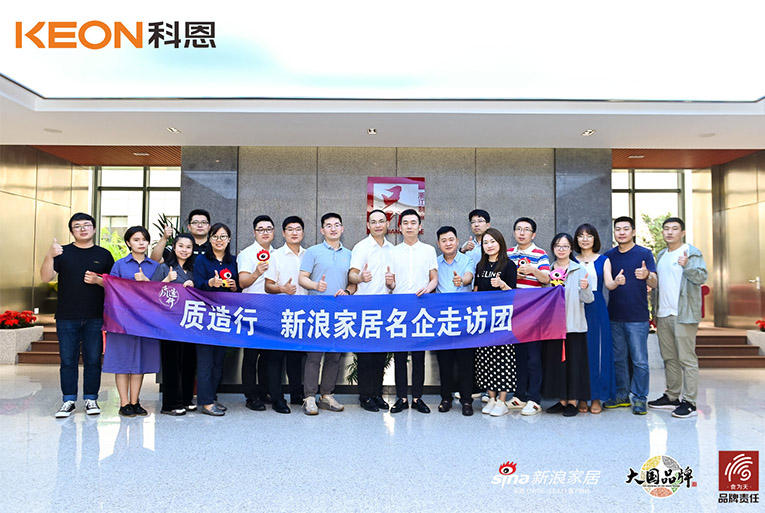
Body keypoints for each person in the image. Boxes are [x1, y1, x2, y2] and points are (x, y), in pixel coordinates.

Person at [41, 213, 114, 418]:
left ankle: (91, 398)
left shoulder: (104, 254)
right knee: (67, 360)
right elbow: (46, 277)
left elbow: (114, 284)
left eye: (87, 225)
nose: (83, 229)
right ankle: (69, 400)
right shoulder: (62, 252)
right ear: (71, 231)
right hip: (67, 316)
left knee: (93, 360)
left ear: (94, 229)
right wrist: (49, 255)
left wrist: (98, 281)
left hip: (95, 316)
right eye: (77, 226)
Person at [648, 217, 708, 418]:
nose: (670, 232)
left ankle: (689, 402)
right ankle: (672, 396)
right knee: (669, 358)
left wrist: (687, 265)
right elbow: (659, 285)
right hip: (663, 313)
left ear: (682, 232)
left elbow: (701, 277)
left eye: (674, 229)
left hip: (683, 314)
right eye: (666, 229)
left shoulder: (691, 252)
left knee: (687, 359)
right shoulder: (662, 254)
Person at [298, 212, 356, 415]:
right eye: (328, 225)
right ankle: (309, 397)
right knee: (314, 356)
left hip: (339, 312)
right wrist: (316, 285)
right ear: (322, 230)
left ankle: (326, 395)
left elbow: (353, 283)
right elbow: (302, 278)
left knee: (334, 356)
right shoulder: (313, 252)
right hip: (317, 310)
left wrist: (348, 291)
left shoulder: (349, 254)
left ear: (342, 228)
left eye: (337, 225)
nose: (333, 228)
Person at [103, 226, 161, 417]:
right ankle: (124, 403)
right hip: (122, 320)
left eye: (144, 239)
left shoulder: (155, 266)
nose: (141, 243)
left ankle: (135, 401)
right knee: (122, 360)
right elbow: (112, 290)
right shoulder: (120, 265)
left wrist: (146, 282)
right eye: (136, 240)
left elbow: (160, 293)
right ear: (128, 243)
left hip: (145, 321)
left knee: (139, 361)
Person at [603, 216, 657, 415]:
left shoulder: (644, 254)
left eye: (626, 229)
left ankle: (640, 398)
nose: (621, 232)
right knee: (618, 359)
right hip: (615, 316)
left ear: (633, 232)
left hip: (638, 317)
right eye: (618, 229)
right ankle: (621, 395)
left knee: (639, 360)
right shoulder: (609, 256)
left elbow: (654, 282)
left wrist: (647, 275)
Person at [388, 209, 438, 414]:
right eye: (405, 223)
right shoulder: (392, 251)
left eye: (413, 223)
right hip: (399, 308)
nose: (409, 226)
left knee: (419, 356)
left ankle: (417, 398)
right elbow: (390, 283)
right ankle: (401, 398)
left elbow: (434, 278)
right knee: (399, 356)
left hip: (421, 307)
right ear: (400, 227)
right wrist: (389, 283)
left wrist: (428, 288)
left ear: (420, 227)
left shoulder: (428, 250)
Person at [542, 233, 594, 417]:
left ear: (571, 249)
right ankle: (562, 400)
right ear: (553, 248)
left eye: (565, 246)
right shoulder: (547, 270)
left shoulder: (579, 270)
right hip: (553, 326)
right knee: (557, 364)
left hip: (574, 325)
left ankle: (572, 401)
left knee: (574, 364)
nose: (561, 249)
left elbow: (588, 299)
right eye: (558, 246)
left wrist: (586, 287)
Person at [349, 209, 394, 412]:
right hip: (365, 308)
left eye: (381, 221)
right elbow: (352, 275)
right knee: (366, 355)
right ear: (368, 225)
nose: (377, 225)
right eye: (373, 222)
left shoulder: (392, 249)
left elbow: (393, 282)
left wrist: (392, 284)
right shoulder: (361, 247)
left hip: (385, 308)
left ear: (387, 224)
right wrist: (360, 277)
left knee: (380, 356)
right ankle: (365, 396)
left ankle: (377, 394)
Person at [193, 222, 240, 416]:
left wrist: (234, 287)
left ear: (229, 240)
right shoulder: (201, 260)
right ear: (209, 239)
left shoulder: (233, 261)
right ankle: (205, 402)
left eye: (223, 237)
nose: (219, 240)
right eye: (215, 237)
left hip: (224, 317)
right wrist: (210, 283)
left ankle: (212, 397)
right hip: (205, 317)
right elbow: (197, 286)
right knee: (206, 361)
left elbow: (239, 288)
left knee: (218, 361)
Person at [506, 217, 550, 416]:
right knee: (518, 356)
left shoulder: (540, 254)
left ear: (533, 234)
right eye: (518, 229)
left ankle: (534, 399)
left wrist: (533, 270)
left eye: (526, 229)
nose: (522, 233)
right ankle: (519, 396)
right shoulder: (508, 253)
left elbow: (547, 279)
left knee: (533, 356)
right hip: (514, 312)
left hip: (534, 312)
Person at [264, 216, 308, 414]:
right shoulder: (275, 256)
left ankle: (297, 395)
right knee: (276, 357)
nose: (294, 232)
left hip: (303, 313)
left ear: (303, 232)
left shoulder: (309, 255)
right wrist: (282, 288)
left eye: (298, 229)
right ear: (283, 233)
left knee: (296, 357)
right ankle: (277, 398)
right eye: (290, 229)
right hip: (279, 312)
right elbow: (268, 286)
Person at [151, 233, 197, 416]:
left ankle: (186, 399)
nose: (184, 250)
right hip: (169, 323)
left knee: (188, 361)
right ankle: (170, 404)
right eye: (181, 246)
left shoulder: (194, 269)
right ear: (174, 247)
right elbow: (151, 292)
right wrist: (168, 280)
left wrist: (194, 286)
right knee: (172, 362)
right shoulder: (164, 268)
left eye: (188, 247)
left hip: (189, 322)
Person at [474, 228, 518, 417]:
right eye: (485, 242)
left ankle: (502, 400)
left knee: (503, 359)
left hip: (502, 319)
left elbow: (514, 293)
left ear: (500, 242)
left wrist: (502, 285)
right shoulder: (480, 265)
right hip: (484, 318)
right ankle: (491, 398)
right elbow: (477, 289)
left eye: (492, 241)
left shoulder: (509, 265)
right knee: (485, 358)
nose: (489, 245)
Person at [573, 224, 617, 414]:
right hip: (575, 307)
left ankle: (597, 396)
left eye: (589, 235)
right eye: (581, 236)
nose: (585, 239)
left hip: (596, 307)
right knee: (579, 352)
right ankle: (582, 396)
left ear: (595, 239)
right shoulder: (571, 260)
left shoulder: (603, 260)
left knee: (597, 352)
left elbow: (609, 283)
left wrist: (617, 282)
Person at [434, 226, 476, 416]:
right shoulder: (435, 263)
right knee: (445, 361)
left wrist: (462, 281)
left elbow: (469, 276)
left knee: (466, 361)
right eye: (444, 240)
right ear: (438, 244)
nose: (448, 243)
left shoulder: (467, 260)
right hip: (443, 318)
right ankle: (446, 398)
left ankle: (467, 400)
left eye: (451, 239)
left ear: (457, 241)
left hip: (465, 318)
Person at [237, 215, 276, 412]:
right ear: (254, 233)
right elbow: (242, 283)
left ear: (274, 232)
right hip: (251, 310)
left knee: (268, 355)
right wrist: (257, 272)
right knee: (251, 356)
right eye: (261, 229)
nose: (265, 232)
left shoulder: (277, 254)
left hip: (272, 310)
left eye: (269, 229)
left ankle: (264, 391)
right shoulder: (247, 254)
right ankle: (251, 396)